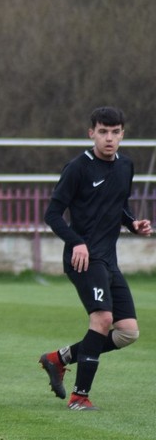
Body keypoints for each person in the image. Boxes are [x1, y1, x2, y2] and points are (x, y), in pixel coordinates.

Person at [39, 107, 151, 410]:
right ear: (92, 133)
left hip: (108, 260)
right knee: (102, 320)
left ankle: (57, 359)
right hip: (84, 260)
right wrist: (77, 242)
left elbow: (119, 205)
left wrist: (132, 224)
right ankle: (79, 397)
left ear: (123, 134)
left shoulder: (126, 166)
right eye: (103, 132)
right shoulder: (77, 168)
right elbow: (51, 214)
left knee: (127, 332)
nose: (109, 138)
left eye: (115, 132)